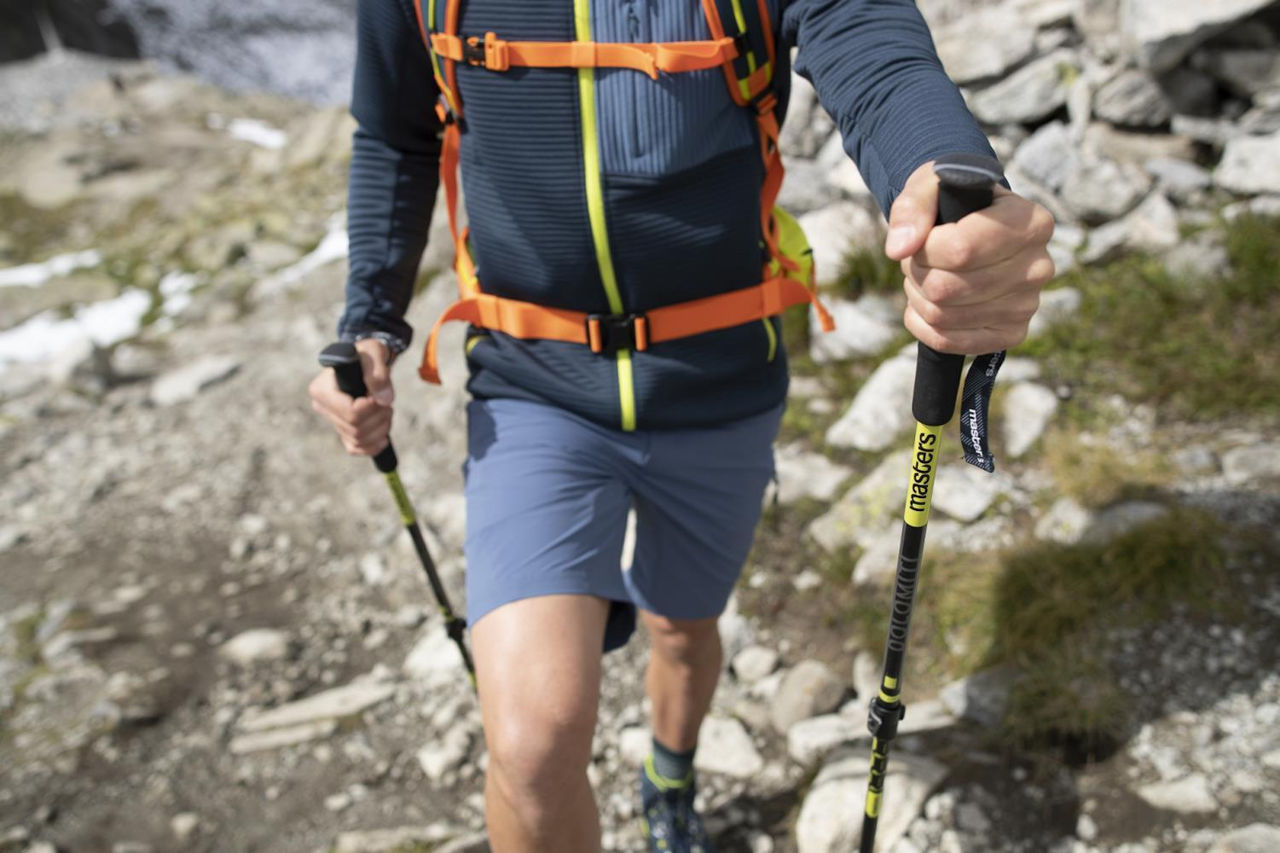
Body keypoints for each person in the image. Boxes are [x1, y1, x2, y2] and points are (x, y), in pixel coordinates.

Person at [309, 0, 1054, 850]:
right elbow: (395, 133)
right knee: (531, 745)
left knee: (683, 628)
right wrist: (369, 320)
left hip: (718, 385)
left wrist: (945, 168)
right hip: (533, 386)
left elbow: (867, 37)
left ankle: (670, 771)